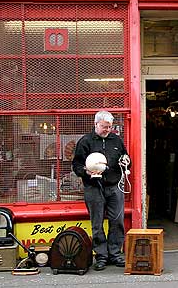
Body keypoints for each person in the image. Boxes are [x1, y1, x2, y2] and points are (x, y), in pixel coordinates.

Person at [72, 110, 129, 271]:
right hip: (93, 187)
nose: (107, 130)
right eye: (104, 127)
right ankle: (101, 256)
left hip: (114, 186)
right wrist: (86, 172)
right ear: (96, 124)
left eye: (110, 127)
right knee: (97, 223)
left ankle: (115, 254)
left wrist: (126, 162)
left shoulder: (116, 140)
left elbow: (125, 159)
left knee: (117, 221)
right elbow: (76, 165)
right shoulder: (85, 141)